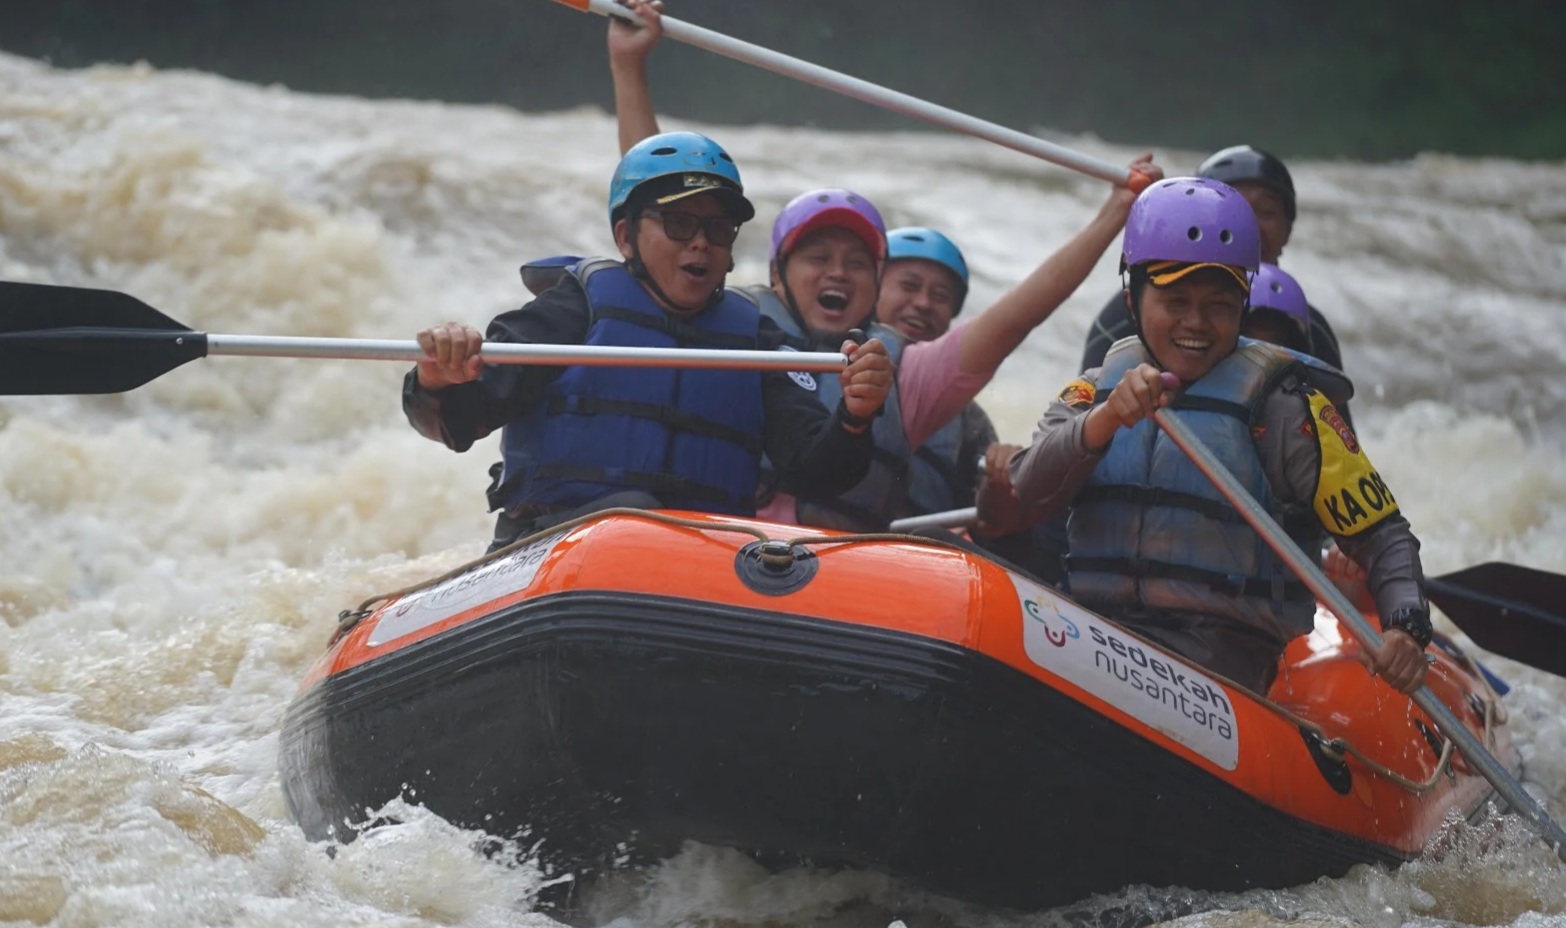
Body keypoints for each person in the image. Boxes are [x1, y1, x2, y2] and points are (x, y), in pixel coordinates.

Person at [606, 0, 1161, 530]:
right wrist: (629, 65)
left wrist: (1115, 213)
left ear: (875, 287)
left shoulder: (906, 375)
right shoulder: (725, 326)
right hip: (713, 554)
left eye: (856, 263)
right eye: (817, 258)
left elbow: (1016, 317)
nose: (837, 273)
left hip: (847, 577)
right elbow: (668, 215)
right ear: (777, 276)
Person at [981, 176, 1431, 696]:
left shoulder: (1285, 408)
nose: (1196, 323)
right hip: (1093, 633)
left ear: (1242, 305)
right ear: (1133, 298)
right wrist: (1104, 421)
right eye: (1175, 300)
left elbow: (1382, 535)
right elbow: (1029, 492)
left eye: (1219, 304)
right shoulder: (1092, 392)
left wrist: (1406, 625)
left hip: (1217, 667)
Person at [403, 131, 894, 551]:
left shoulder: (753, 341)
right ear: (625, 237)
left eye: (718, 229)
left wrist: (854, 416)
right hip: (554, 546)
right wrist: (437, 381)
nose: (700, 242)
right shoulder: (575, 309)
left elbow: (817, 472)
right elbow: (458, 421)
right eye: (679, 224)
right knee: (636, 515)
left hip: (697, 558)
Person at [1078, 145, 1347, 379]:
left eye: (1266, 212)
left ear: (1289, 229)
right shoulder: (1123, 316)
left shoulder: (1308, 326)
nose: (1247, 226)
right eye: (1177, 302)